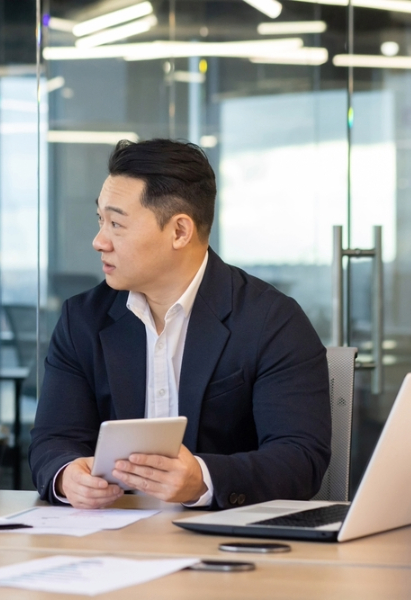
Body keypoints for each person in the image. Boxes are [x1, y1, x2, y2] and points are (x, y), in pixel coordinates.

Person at [29, 138, 330, 510]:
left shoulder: (271, 321)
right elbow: (52, 440)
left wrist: (202, 479)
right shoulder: (83, 319)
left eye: (117, 224)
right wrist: (66, 475)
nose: (98, 241)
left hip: (225, 544)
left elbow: (301, 458)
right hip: (109, 538)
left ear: (179, 232)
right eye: (100, 220)